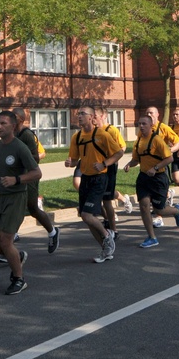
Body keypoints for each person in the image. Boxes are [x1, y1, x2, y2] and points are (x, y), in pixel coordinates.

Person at [0, 111, 41, 295]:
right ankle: (17, 256)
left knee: (6, 241)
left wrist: (17, 179)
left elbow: (36, 173)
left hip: (15, 197)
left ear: (13, 126)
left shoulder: (20, 147)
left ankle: (19, 278)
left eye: (3, 123)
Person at [65, 106, 125, 263]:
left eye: (82, 114)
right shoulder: (76, 137)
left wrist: (104, 163)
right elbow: (74, 161)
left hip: (99, 178)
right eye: (78, 113)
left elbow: (118, 152)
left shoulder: (102, 135)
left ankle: (107, 235)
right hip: (86, 178)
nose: (79, 116)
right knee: (85, 217)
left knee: (87, 215)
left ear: (92, 117)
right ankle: (106, 249)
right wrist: (69, 163)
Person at [124, 113, 179, 247]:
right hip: (144, 177)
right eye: (139, 124)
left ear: (151, 126)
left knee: (159, 210)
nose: (141, 126)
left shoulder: (157, 140)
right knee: (144, 206)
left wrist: (156, 168)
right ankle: (152, 237)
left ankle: (176, 211)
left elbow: (169, 158)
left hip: (158, 178)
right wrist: (129, 164)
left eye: (144, 124)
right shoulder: (138, 142)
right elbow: (136, 159)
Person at [13, 107, 60, 254]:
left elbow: (35, 157)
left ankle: (52, 232)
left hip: (29, 176)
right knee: (16, 206)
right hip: (17, 177)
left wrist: (21, 160)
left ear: (20, 119)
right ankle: (8, 244)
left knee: (32, 208)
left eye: (13, 116)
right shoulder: (11, 134)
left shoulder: (27, 135)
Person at [95, 107, 129, 234]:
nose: (93, 119)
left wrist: (111, 160)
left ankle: (113, 229)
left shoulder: (111, 130)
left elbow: (122, 147)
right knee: (100, 196)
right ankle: (106, 221)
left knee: (107, 199)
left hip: (109, 167)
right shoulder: (93, 131)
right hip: (96, 168)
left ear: (103, 115)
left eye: (96, 116)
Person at [146, 106, 179, 218]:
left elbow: (178, 142)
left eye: (151, 113)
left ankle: (159, 216)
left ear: (158, 115)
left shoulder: (164, 128)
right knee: (150, 191)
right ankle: (165, 199)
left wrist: (169, 151)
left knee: (158, 190)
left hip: (161, 164)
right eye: (147, 113)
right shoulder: (144, 129)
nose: (149, 115)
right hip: (147, 165)